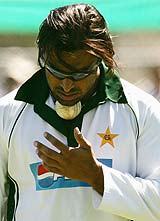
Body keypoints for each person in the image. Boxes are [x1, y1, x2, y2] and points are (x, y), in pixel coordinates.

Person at [0, 3, 160, 221]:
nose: (66, 86)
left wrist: (97, 176)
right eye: (56, 72)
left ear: (102, 61)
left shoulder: (142, 111)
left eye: (79, 74)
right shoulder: (7, 114)